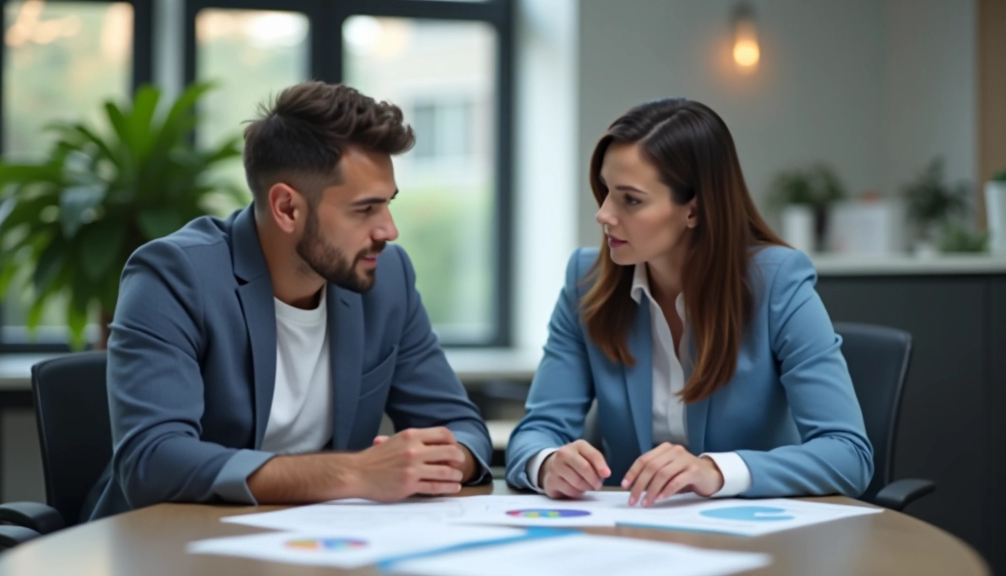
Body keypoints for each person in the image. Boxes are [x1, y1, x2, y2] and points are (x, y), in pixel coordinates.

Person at [85, 81, 493, 520]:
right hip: (166, 543)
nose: (388, 231)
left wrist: (440, 458)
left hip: (323, 544)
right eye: (364, 209)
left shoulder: (387, 277)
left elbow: (462, 429)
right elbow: (153, 461)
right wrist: (354, 473)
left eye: (388, 204)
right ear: (287, 208)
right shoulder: (174, 276)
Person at [506, 98, 873, 506]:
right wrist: (548, 461)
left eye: (630, 199)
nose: (604, 214)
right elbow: (535, 431)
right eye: (606, 191)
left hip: (758, 539)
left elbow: (849, 455)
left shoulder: (778, 283)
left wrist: (716, 471)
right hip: (632, 539)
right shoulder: (585, 281)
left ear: (693, 210)